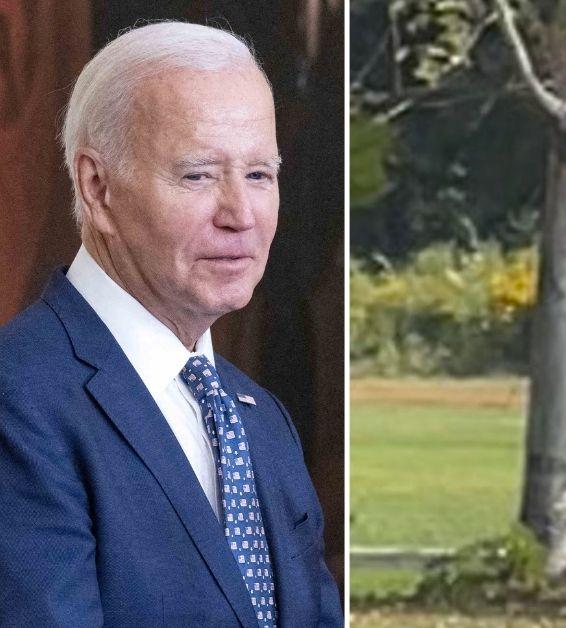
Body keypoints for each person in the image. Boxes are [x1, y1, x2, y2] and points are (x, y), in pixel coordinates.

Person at [0, 22, 341, 627]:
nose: (241, 215)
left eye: (260, 174)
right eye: (199, 174)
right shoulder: (19, 401)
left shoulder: (259, 418)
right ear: (98, 188)